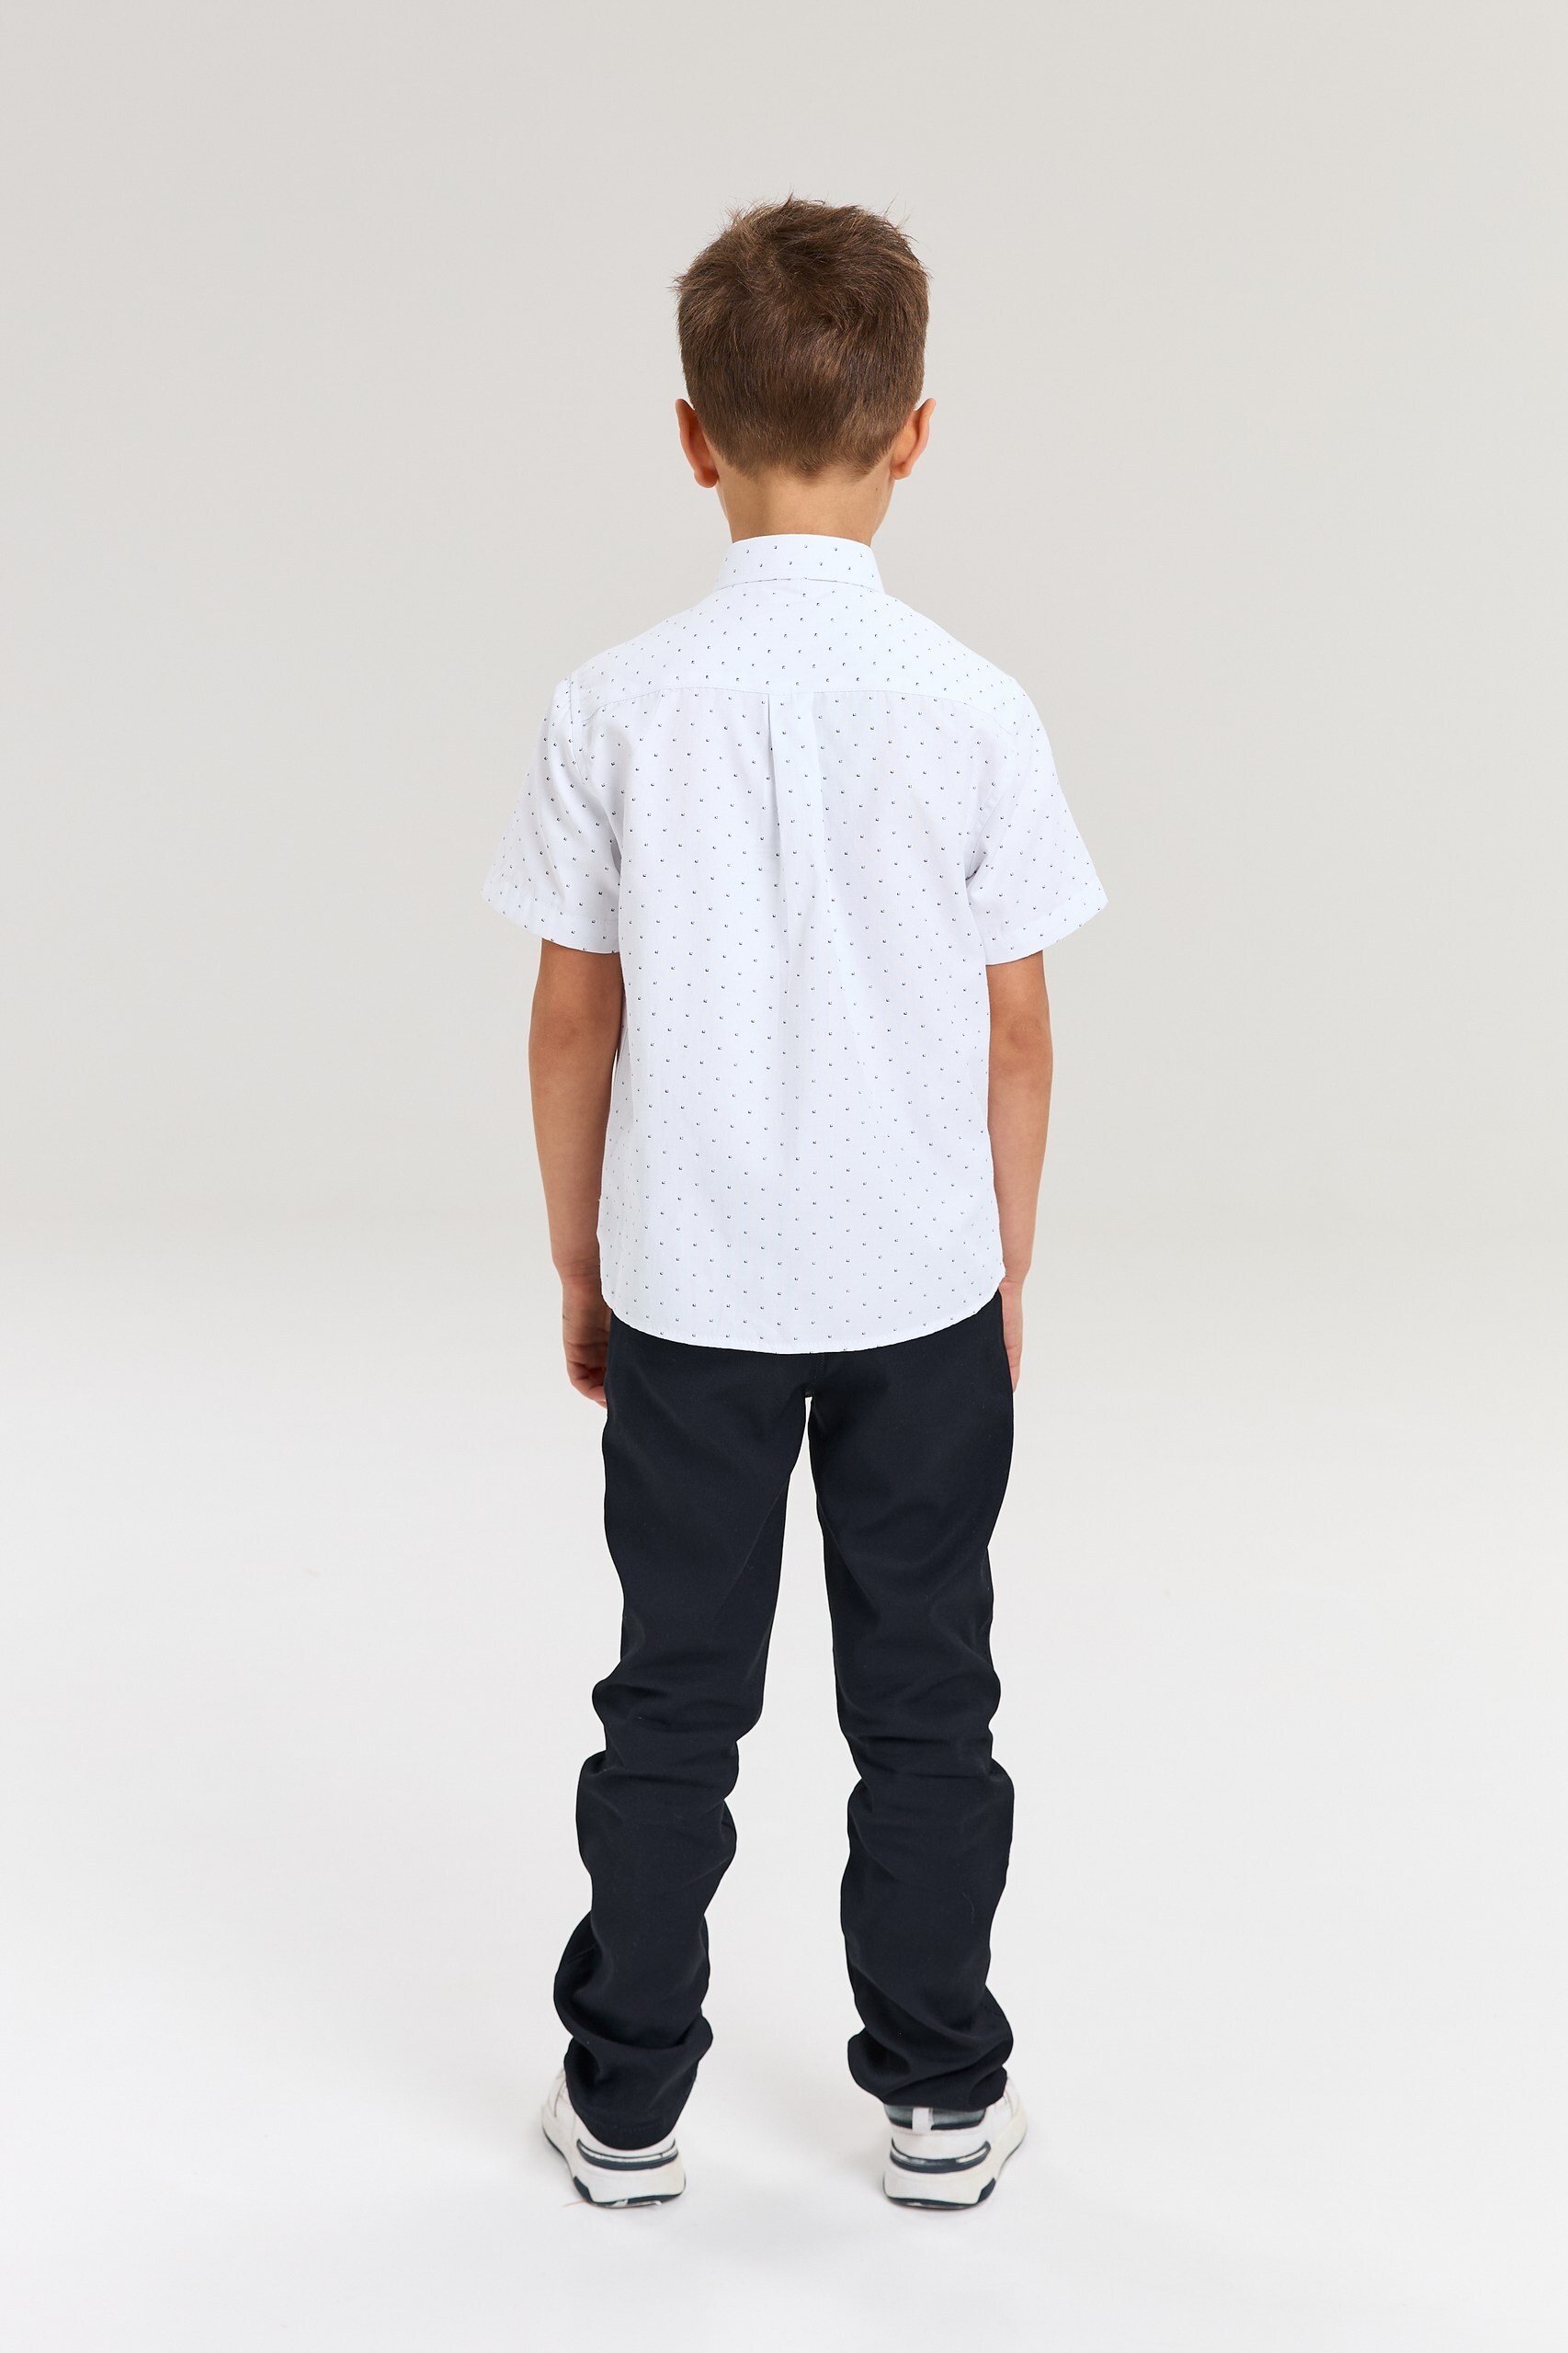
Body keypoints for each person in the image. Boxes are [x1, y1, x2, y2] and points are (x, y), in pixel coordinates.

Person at [483, 198, 1106, 2211]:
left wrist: (579, 1257)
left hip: (689, 1280)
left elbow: (571, 1017)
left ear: (691, 438)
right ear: (915, 433)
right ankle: (940, 2097)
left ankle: (626, 2101)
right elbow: (1019, 1035)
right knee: (926, 1695)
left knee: (672, 1693)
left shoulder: (613, 702)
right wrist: (1003, 1269)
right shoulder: (975, 703)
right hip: (919, 1284)